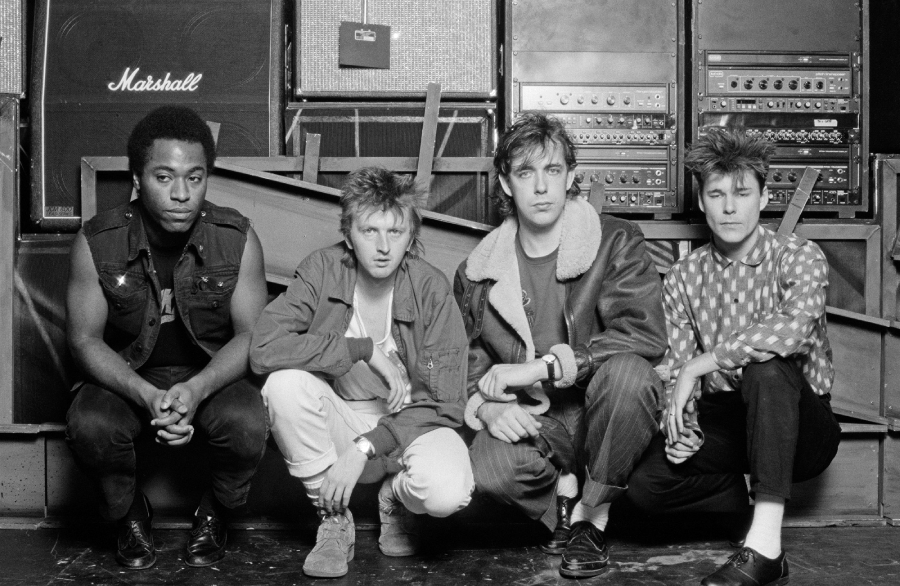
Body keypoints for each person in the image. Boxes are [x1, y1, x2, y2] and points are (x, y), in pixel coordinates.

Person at [454, 112, 667, 579]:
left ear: (571, 176)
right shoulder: (477, 272)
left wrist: (543, 367)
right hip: (539, 421)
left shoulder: (614, 240)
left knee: (629, 375)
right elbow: (468, 366)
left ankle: (591, 517)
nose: (541, 187)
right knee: (490, 469)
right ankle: (564, 495)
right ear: (506, 183)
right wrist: (486, 408)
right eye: (525, 172)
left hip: (602, 410)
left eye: (552, 170)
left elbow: (645, 335)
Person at [625, 127, 841, 586]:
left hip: (802, 425)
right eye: (716, 194)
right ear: (702, 202)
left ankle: (765, 548)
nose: (729, 208)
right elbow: (676, 367)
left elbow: (792, 331)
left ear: (763, 198)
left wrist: (702, 364)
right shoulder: (683, 275)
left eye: (741, 194)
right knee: (645, 487)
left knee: (766, 368)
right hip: (730, 419)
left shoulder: (799, 256)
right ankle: (745, 510)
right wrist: (682, 425)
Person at [65, 106, 269, 570]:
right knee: (91, 424)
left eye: (195, 178)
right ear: (138, 179)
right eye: (164, 177)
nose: (181, 194)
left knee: (247, 422)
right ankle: (128, 513)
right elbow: (84, 341)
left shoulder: (236, 237)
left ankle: (216, 511)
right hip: (129, 373)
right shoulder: (97, 240)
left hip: (209, 371)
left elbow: (251, 336)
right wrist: (145, 393)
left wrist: (196, 389)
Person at [250, 166, 473, 579]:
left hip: (412, 425)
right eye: (370, 231)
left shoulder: (431, 288)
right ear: (349, 234)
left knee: (447, 492)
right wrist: (361, 350)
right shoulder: (321, 270)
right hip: (344, 417)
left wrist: (366, 447)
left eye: (396, 232)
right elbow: (263, 350)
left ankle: (395, 499)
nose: (384, 247)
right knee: (282, 386)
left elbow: (446, 405)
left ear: (411, 236)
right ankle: (333, 518)